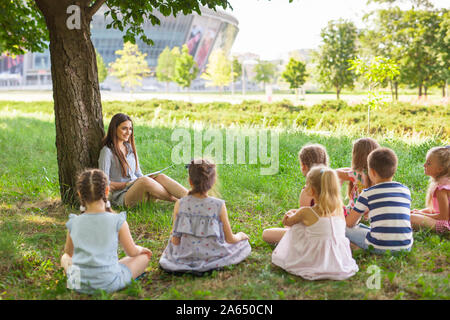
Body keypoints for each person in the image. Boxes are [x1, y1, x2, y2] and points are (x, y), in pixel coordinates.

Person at [60, 169, 152, 294]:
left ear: (80, 194)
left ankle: (75, 281)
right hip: (109, 283)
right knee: (143, 258)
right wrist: (141, 249)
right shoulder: (117, 220)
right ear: (107, 191)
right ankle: (105, 271)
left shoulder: (74, 222)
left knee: (65, 257)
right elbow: (132, 252)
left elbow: (69, 254)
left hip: (79, 285)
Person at [159, 159, 251, 274]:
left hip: (186, 255)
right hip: (213, 254)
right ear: (213, 181)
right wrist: (241, 236)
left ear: (190, 181)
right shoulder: (219, 205)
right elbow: (230, 239)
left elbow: (175, 240)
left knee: (171, 246)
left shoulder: (180, 204)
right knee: (243, 245)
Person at [271, 165, 358, 280]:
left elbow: (286, 222)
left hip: (315, 261)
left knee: (296, 227)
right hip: (339, 262)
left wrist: (291, 213)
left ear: (311, 190)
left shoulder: (306, 212)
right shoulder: (340, 211)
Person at [98, 113, 188, 207]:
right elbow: (103, 182)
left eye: (130, 129)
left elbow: (138, 174)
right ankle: (178, 201)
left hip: (138, 190)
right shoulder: (107, 152)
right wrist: (127, 184)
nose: (128, 132)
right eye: (124, 128)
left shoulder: (130, 148)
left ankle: (195, 199)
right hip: (123, 197)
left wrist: (148, 178)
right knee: (144, 181)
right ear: (114, 129)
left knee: (161, 177)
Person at [345, 148, 413, 254]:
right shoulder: (405, 190)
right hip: (405, 246)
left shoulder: (368, 193)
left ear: (372, 172)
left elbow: (349, 223)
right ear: (394, 169)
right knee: (364, 228)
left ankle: (358, 249)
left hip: (379, 246)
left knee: (342, 228)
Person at [262, 144, 329, 244]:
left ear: (304, 167)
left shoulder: (308, 191)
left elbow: (304, 221)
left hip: (312, 237)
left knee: (266, 234)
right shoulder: (331, 185)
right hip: (328, 231)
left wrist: (292, 217)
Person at [336, 138, 380, 216]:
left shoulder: (355, 174)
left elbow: (335, 173)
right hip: (370, 214)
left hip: (353, 213)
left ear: (357, 156)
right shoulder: (377, 174)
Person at [410, 146, 449, 233]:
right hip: (443, 221)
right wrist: (419, 211)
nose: (424, 165)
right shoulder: (440, 185)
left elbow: (444, 217)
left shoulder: (441, 189)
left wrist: (421, 214)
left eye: (428, 163)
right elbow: (435, 210)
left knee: (409, 218)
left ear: (440, 169)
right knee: (410, 215)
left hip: (445, 225)